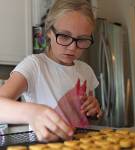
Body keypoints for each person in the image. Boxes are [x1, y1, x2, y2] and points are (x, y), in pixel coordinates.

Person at [0, 0, 102, 142]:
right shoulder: (34, 65)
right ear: (49, 32)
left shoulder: (86, 71)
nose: (72, 47)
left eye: (82, 39)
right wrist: (31, 112)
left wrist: (93, 110)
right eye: (65, 36)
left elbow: (90, 119)